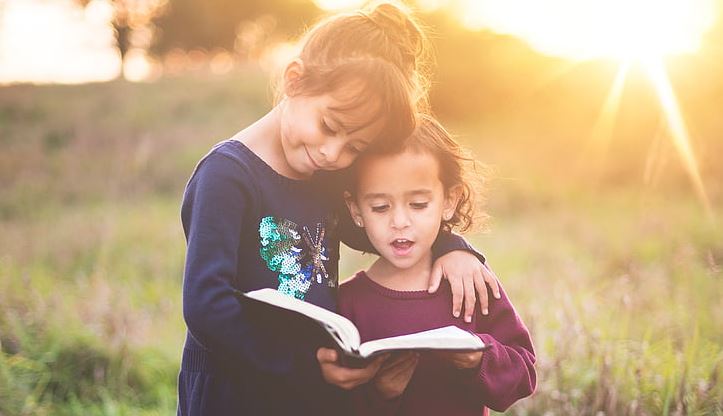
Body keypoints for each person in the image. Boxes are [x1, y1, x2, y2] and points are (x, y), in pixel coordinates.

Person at [176, 4, 500, 415]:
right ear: (294, 80)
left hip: (309, 389)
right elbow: (206, 306)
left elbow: (386, 231)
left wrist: (452, 247)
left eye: (356, 148)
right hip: (234, 388)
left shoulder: (323, 175)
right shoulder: (227, 176)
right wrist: (304, 366)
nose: (333, 153)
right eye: (329, 127)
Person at [339, 115, 536, 415]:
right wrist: (381, 393)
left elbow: (524, 372)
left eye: (418, 204)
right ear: (356, 210)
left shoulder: (469, 281)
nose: (400, 222)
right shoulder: (347, 303)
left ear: (449, 201)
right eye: (380, 207)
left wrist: (479, 357)